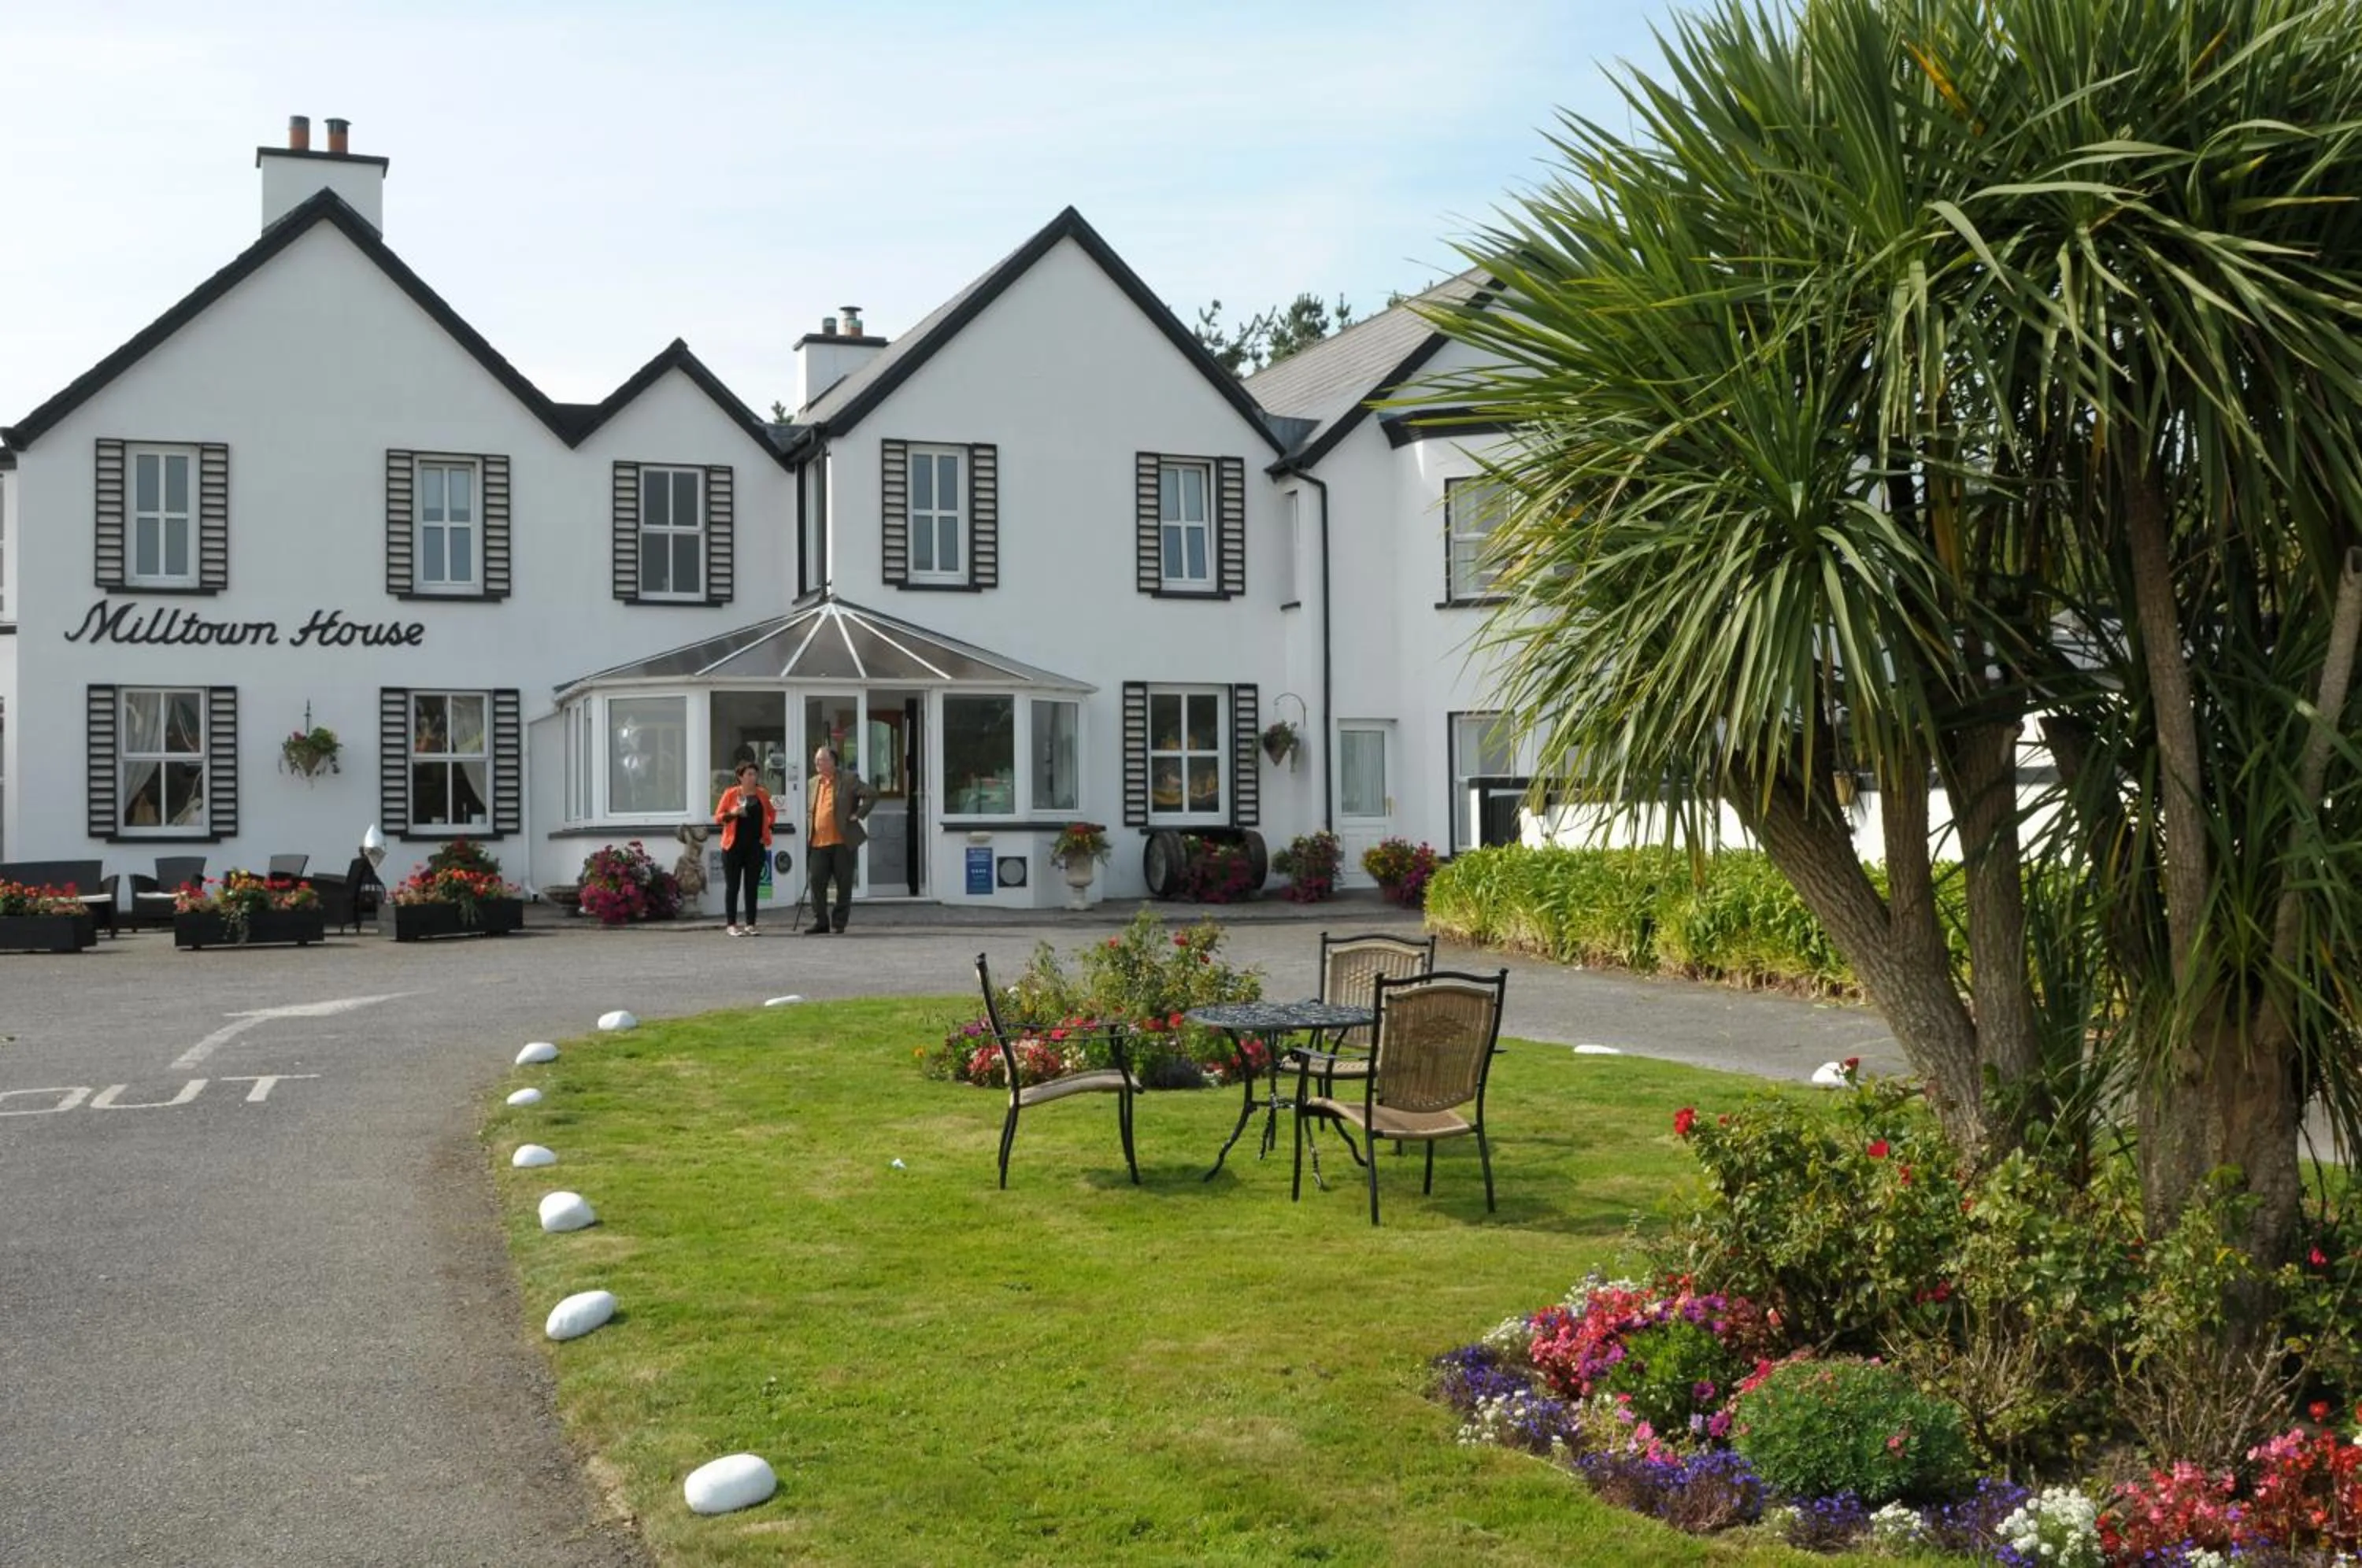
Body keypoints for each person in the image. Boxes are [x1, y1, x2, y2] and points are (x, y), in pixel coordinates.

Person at [804, 744, 873, 934]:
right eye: (816, 760)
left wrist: (858, 814)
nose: (818, 763)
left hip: (842, 842)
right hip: (818, 842)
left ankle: (839, 922)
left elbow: (871, 794)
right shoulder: (812, 783)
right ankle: (820, 922)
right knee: (816, 881)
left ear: (833, 762)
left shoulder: (849, 779)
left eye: (822, 759)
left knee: (844, 884)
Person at [713, 762, 776, 937]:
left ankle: (750, 924)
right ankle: (731, 925)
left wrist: (768, 829)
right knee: (733, 886)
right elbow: (718, 818)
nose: (752, 777)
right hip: (733, 847)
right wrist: (733, 813)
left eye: (754, 774)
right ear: (740, 777)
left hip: (755, 847)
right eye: (749, 774)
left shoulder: (762, 794)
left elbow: (771, 813)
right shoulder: (730, 794)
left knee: (752, 886)